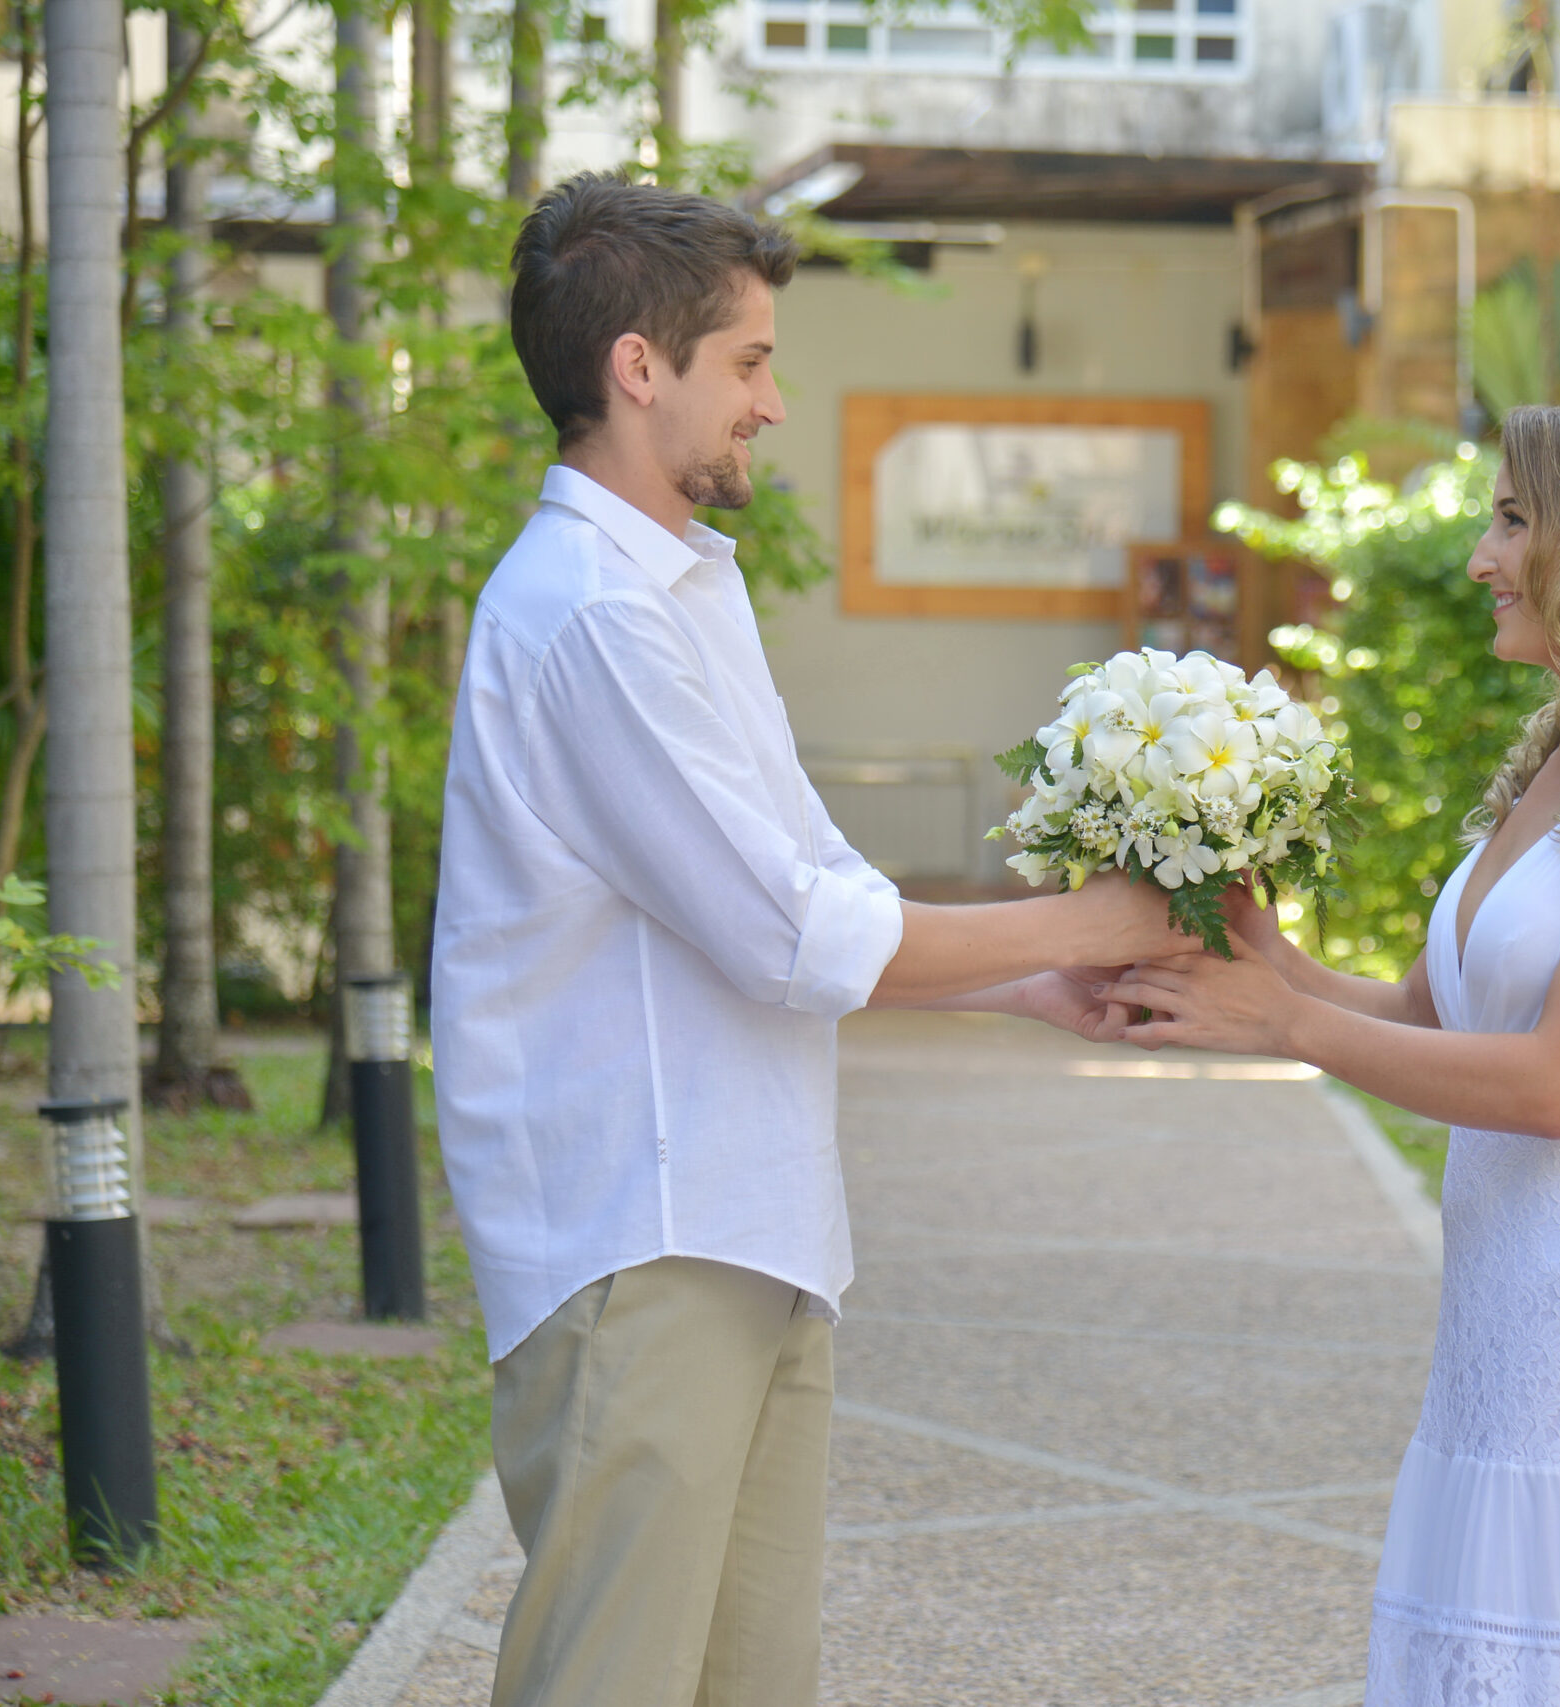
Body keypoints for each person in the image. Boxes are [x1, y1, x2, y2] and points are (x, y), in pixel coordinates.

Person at [431, 172, 1183, 1707]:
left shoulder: (684, 589)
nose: (772, 404)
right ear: (641, 367)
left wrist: (1038, 981)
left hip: (750, 1224)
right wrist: (1102, 914)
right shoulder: (589, 615)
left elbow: (810, 867)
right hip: (642, 1237)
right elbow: (792, 934)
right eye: (752, 363)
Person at [1100, 398, 1560, 1704]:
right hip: (1504, 1315)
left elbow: (1552, 1084)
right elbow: (1431, 1014)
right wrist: (1260, 955)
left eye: (1515, 520)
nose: (1480, 557)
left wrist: (1286, 1025)